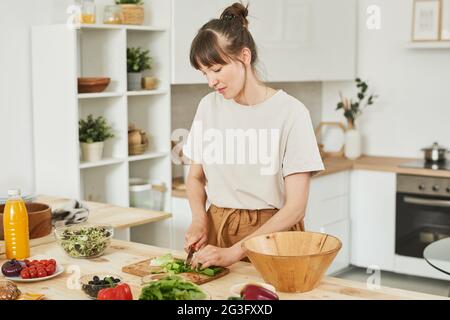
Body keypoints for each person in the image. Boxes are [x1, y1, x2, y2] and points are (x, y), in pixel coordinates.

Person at [182, 2, 324, 268]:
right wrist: (199, 219)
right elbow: (195, 177)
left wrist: (235, 252)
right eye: (204, 73)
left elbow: (295, 208)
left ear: (244, 57)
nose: (211, 81)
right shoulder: (207, 107)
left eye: (216, 69)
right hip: (217, 227)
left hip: (273, 236)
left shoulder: (291, 113)